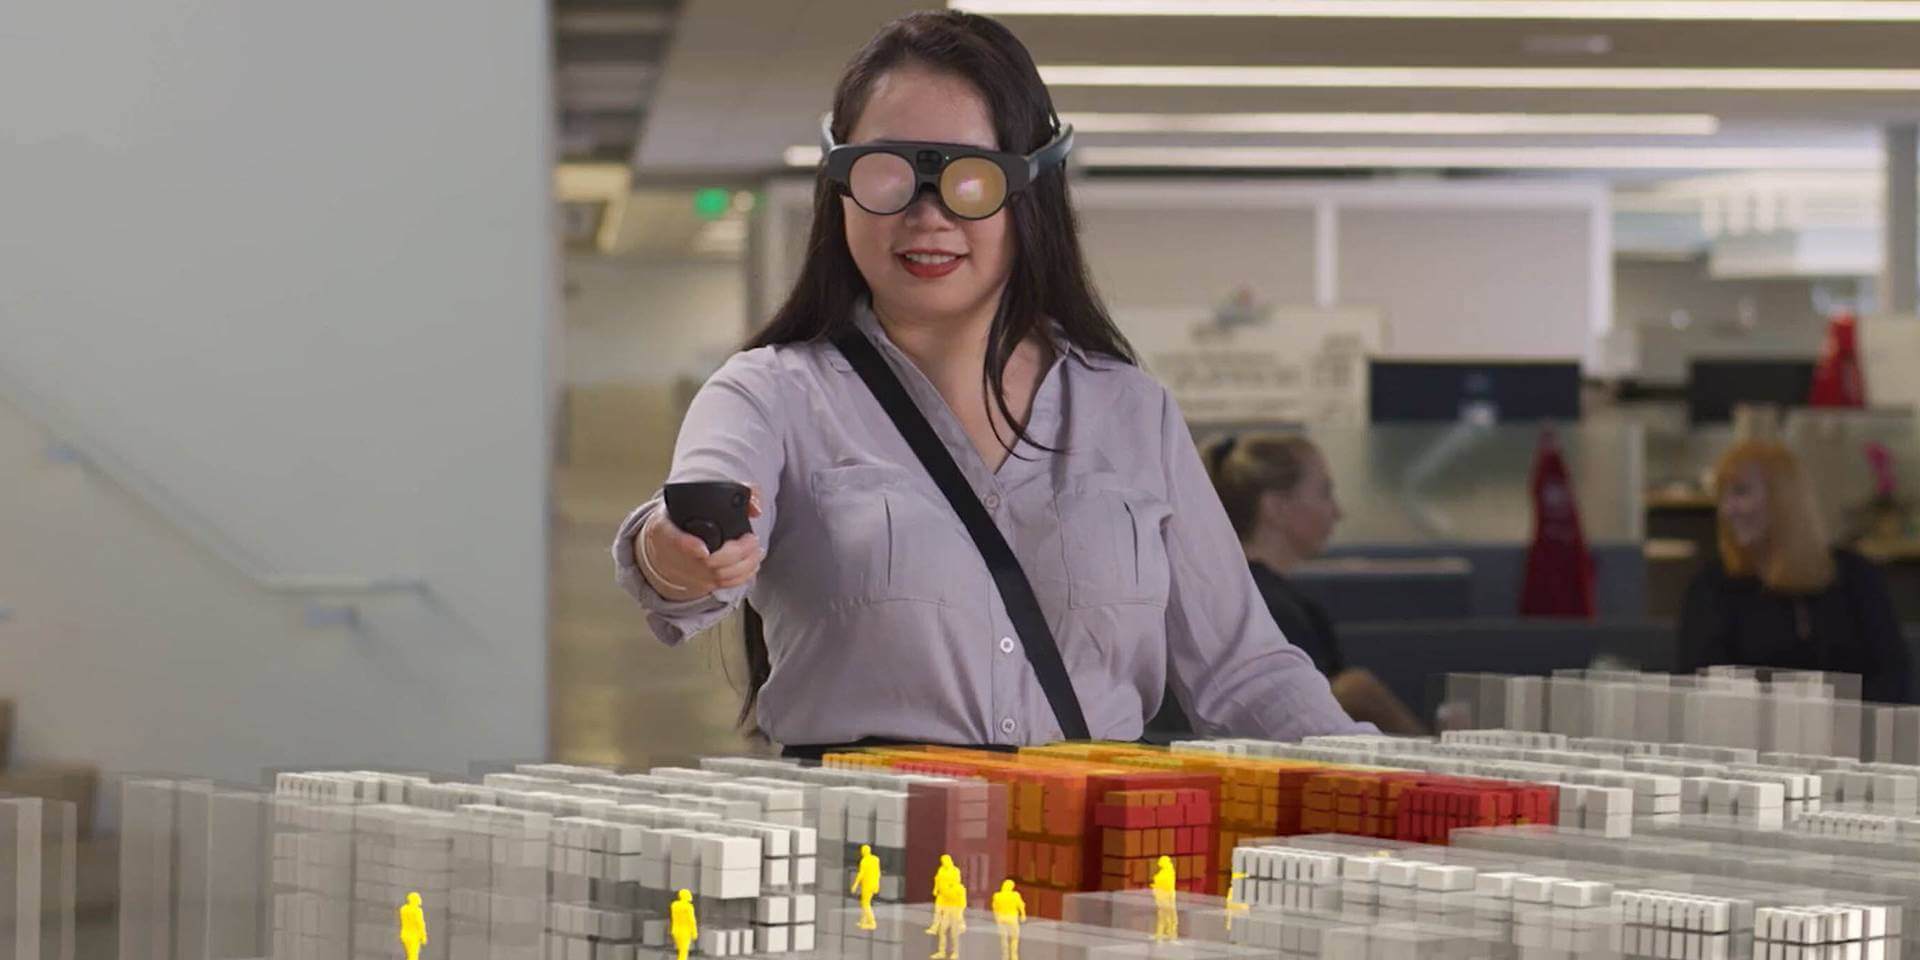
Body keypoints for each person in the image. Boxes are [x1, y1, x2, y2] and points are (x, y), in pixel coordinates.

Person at [611, 10, 1365, 754]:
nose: (927, 214)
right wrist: (679, 552)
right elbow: (690, 529)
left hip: (1088, 855)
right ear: (838, 183)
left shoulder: (1130, 410)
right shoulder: (770, 394)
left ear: (1031, 187)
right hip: (868, 858)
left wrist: (1384, 788)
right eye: (887, 172)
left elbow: (1245, 673)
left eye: (971, 179)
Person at [1175, 433, 1427, 735]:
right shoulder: (1267, 611)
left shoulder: (1253, 599)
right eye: (1324, 493)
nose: (1338, 513)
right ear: (1275, 508)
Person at [1679, 440, 1911, 703]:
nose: (1727, 510)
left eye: (1741, 492)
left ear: (1784, 498)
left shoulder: (1856, 577)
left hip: (1853, 737)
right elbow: (1702, 689)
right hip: (1752, 739)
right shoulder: (1711, 587)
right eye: (1722, 496)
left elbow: (1893, 677)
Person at [991, 880, 1026, 960]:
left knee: (1003, 939)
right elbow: (1021, 905)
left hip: (1001, 918)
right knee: (1014, 938)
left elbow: (995, 908)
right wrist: (1023, 915)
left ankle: (1005, 957)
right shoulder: (1015, 895)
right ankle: (1014, 957)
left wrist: (996, 918)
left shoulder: (997, 896)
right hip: (1012, 918)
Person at [854, 844, 882, 931]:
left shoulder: (864, 861)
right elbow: (878, 873)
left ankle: (872, 923)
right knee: (865, 902)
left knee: (865, 904)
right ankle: (863, 921)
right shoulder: (876, 859)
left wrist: (855, 884)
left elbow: (861, 874)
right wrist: (877, 884)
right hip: (873, 884)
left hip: (867, 884)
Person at [1150, 855, 1177, 941]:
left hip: (1167, 899)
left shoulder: (1168, 872)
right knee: (1162, 917)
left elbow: (1164, 884)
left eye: (1161, 862)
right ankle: (1161, 934)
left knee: (1168, 918)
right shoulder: (1164, 872)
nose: (1159, 863)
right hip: (1163, 899)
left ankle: (1170, 935)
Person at [396, 892, 426, 960]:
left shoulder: (403, 909)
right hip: (414, 936)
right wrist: (423, 936)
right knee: (413, 955)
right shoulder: (417, 911)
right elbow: (420, 924)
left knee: (409, 954)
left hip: (405, 935)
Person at [669, 889, 697, 960]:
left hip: (675, 930)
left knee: (681, 950)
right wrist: (694, 932)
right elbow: (692, 920)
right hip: (685, 931)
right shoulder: (688, 907)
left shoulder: (674, 905)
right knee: (684, 951)